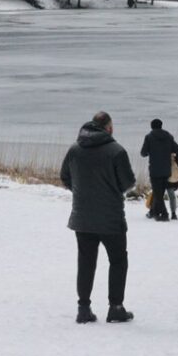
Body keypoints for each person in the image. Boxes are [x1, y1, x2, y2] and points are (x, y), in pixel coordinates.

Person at [60, 111, 136, 324]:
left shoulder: (75, 149)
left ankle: (83, 308)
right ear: (109, 128)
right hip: (111, 216)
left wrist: (80, 190)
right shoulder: (116, 151)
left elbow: (65, 176)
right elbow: (128, 182)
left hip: (82, 216)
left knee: (86, 261)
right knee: (118, 260)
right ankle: (116, 307)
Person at [140, 118, 178, 221]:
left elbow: (143, 153)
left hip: (155, 170)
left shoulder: (149, 137)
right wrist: (176, 162)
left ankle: (164, 214)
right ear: (161, 126)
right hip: (166, 170)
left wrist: (150, 151)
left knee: (158, 194)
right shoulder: (168, 136)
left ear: (152, 126)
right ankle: (153, 212)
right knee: (159, 193)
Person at [167, 153, 178, 221]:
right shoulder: (176, 158)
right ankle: (173, 214)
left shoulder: (176, 160)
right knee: (172, 197)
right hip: (171, 180)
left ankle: (173, 213)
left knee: (171, 196)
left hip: (170, 181)